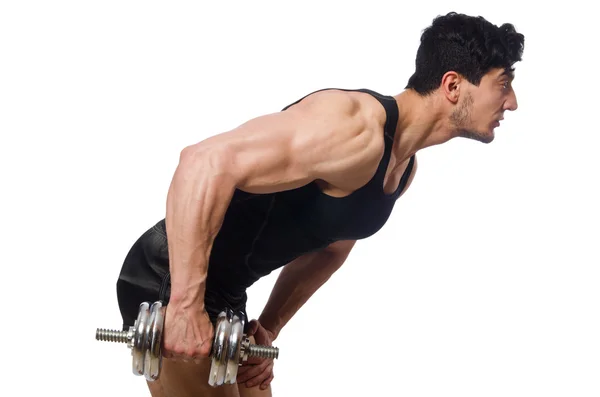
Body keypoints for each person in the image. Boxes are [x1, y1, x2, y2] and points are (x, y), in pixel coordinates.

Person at [115, 11, 524, 397]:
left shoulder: (402, 167)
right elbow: (202, 163)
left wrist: (270, 326)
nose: (512, 103)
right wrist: (184, 307)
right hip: (170, 282)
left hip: (225, 296)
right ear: (453, 86)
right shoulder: (352, 126)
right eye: (502, 85)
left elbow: (332, 248)